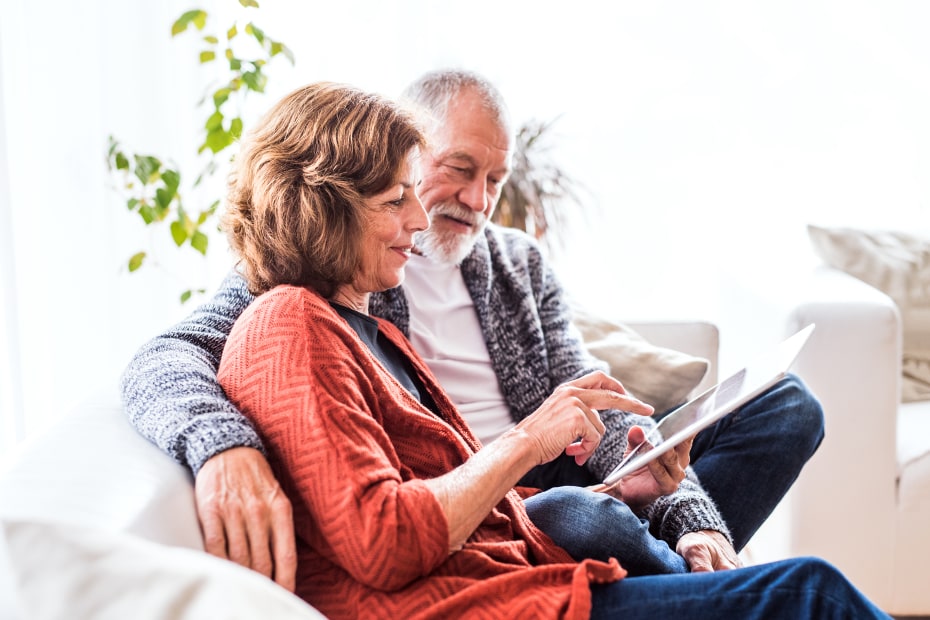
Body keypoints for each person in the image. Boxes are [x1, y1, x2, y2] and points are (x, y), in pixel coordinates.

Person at [121, 69, 824, 589]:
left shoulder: (517, 264)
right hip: (450, 486)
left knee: (785, 404)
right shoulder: (321, 269)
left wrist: (685, 509)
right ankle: (666, 580)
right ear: (410, 151)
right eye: (459, 170)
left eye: (496, 178)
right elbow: (165, 357)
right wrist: (222, 446)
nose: (478, 200)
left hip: (540, 473)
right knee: (600, 524)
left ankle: (679, 566)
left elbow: (588, 403)